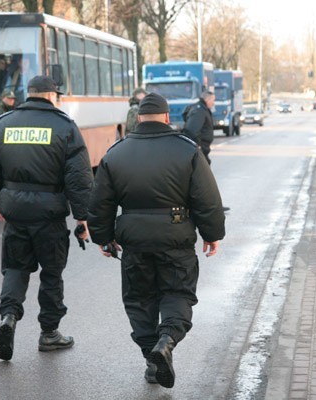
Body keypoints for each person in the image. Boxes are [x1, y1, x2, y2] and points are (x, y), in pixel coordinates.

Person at [87, 93, 225, 388]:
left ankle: (153, 360)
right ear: (166, 117)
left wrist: (103, 237)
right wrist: (212, 235)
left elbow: (100, 203)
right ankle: (166, 342)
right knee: (177, 294)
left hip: (134, 241)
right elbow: (208, 199)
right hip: (176, 237)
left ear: (138, 118)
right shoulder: (186, 150)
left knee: (139, 299)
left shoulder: (116, 153)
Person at [0, 75, 94, 361]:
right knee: (51, 273)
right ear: (53, 96)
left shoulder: (3, 123)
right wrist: (83, 217)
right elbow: (78, 178)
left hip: (15, 212)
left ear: (29, 94)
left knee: (16, 269)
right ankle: (50, 333)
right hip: (49, 213)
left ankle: (8, 317)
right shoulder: (64, 126)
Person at [182, 90, 216, 164]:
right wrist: (198, 146)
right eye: (213, 100)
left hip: (202, 150)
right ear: (207, 99)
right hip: (199, 150)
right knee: (203, 173)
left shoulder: (202, 109)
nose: (214, 103)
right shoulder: (199, 110)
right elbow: (191, 130)